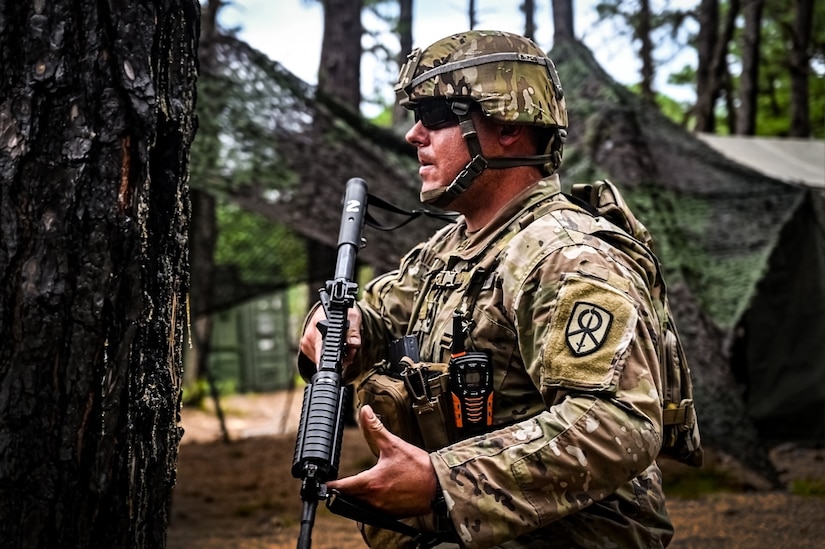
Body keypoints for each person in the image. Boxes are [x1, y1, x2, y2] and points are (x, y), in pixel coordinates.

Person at [299, 29, 678, 548]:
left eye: (435, 117)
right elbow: (381, 315)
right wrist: (342, 326)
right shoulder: (452, 246)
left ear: (506, 126)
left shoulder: (568, 255)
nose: (414, 135)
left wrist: (443, 482)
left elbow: (618, 424)